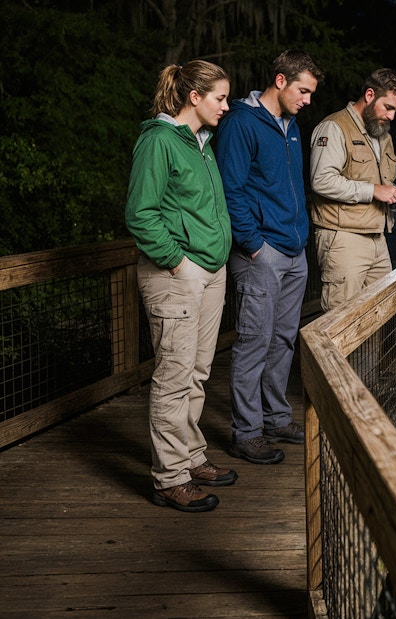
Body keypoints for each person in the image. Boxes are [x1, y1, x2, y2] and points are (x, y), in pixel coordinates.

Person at [125, 60, 237, 513]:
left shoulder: (201, 143)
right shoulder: (158, 141)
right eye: (220, 98)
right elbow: (140, 213)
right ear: (195, 97)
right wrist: (176, 262)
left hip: (212, 271)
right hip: (176, 275)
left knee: (197, 371)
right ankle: (169, 478)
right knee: (173, 378)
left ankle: (190, 457)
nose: (226, 107)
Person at [216, 50, 324, 464]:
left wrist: (299, 240)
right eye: (303, 90)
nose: (308, 100)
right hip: (261, 253)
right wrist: (254, 244)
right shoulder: (242, 122)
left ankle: (275, 417)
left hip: (294, 251)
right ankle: (246, 433)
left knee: (282, 339)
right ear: (280, 81)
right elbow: (232, 189)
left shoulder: (290, 125)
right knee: (253, 342)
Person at [309, 67, 396, 313]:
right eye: (388, 107)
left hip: (378, 237)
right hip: (343, 238)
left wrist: (392, 193)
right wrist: (373, 191)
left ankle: (371, 355)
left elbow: (378, 182)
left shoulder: (382, 135)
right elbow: (321, 180)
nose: (391, 117)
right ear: (369, 95)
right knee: (341, 320)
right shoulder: (334, 127)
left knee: (380, 316)